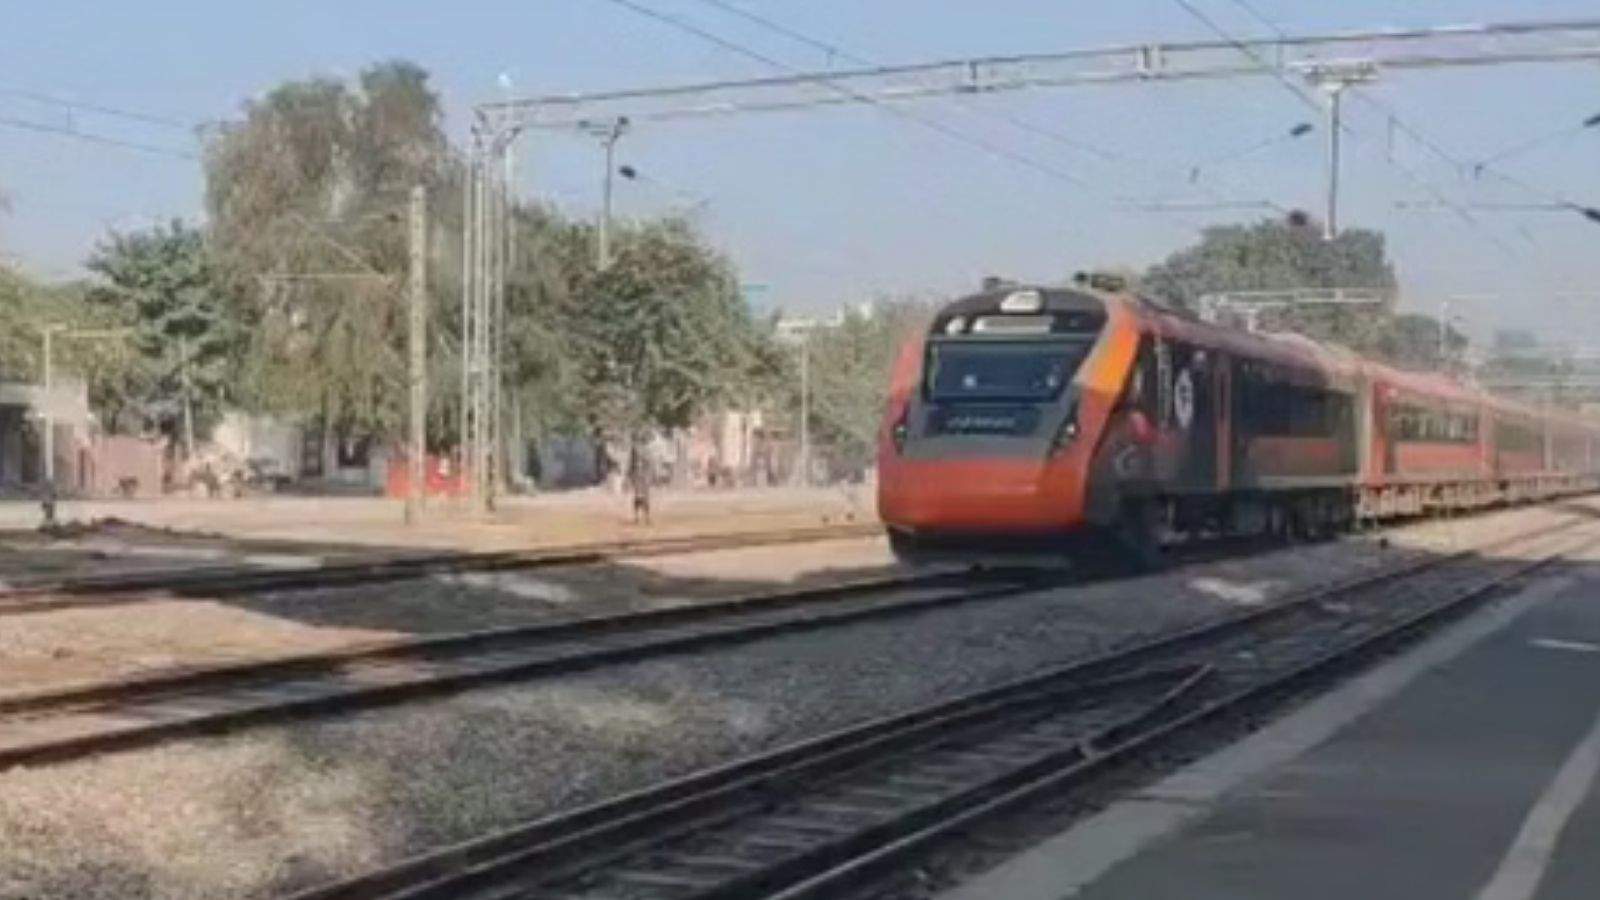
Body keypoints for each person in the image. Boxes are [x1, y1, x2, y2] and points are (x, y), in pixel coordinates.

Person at [628, 443, 652, 525]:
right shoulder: (634, 453)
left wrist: (648, 476)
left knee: (645, 498)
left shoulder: (646, 452)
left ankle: (646, 517)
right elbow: (631, 465)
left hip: (643, 477)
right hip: (638, 476)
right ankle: (637, 517)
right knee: (638, 497)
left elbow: (648, 465)